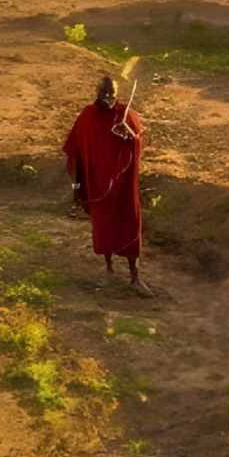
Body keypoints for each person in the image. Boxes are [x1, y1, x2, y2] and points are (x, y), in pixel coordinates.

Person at [64, 75, 151, 297]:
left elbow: (138, 141)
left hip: (123, 188)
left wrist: (129, 136)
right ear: (96, 92)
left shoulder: (126, 115)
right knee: (104, 230)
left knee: (130, 226)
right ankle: (109, 269)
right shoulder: (87, 117)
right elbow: (76, 151)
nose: (108, 97)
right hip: (98, 187)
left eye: (111, 93)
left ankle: (135, 276)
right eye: (104, 93)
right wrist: (78, 188)